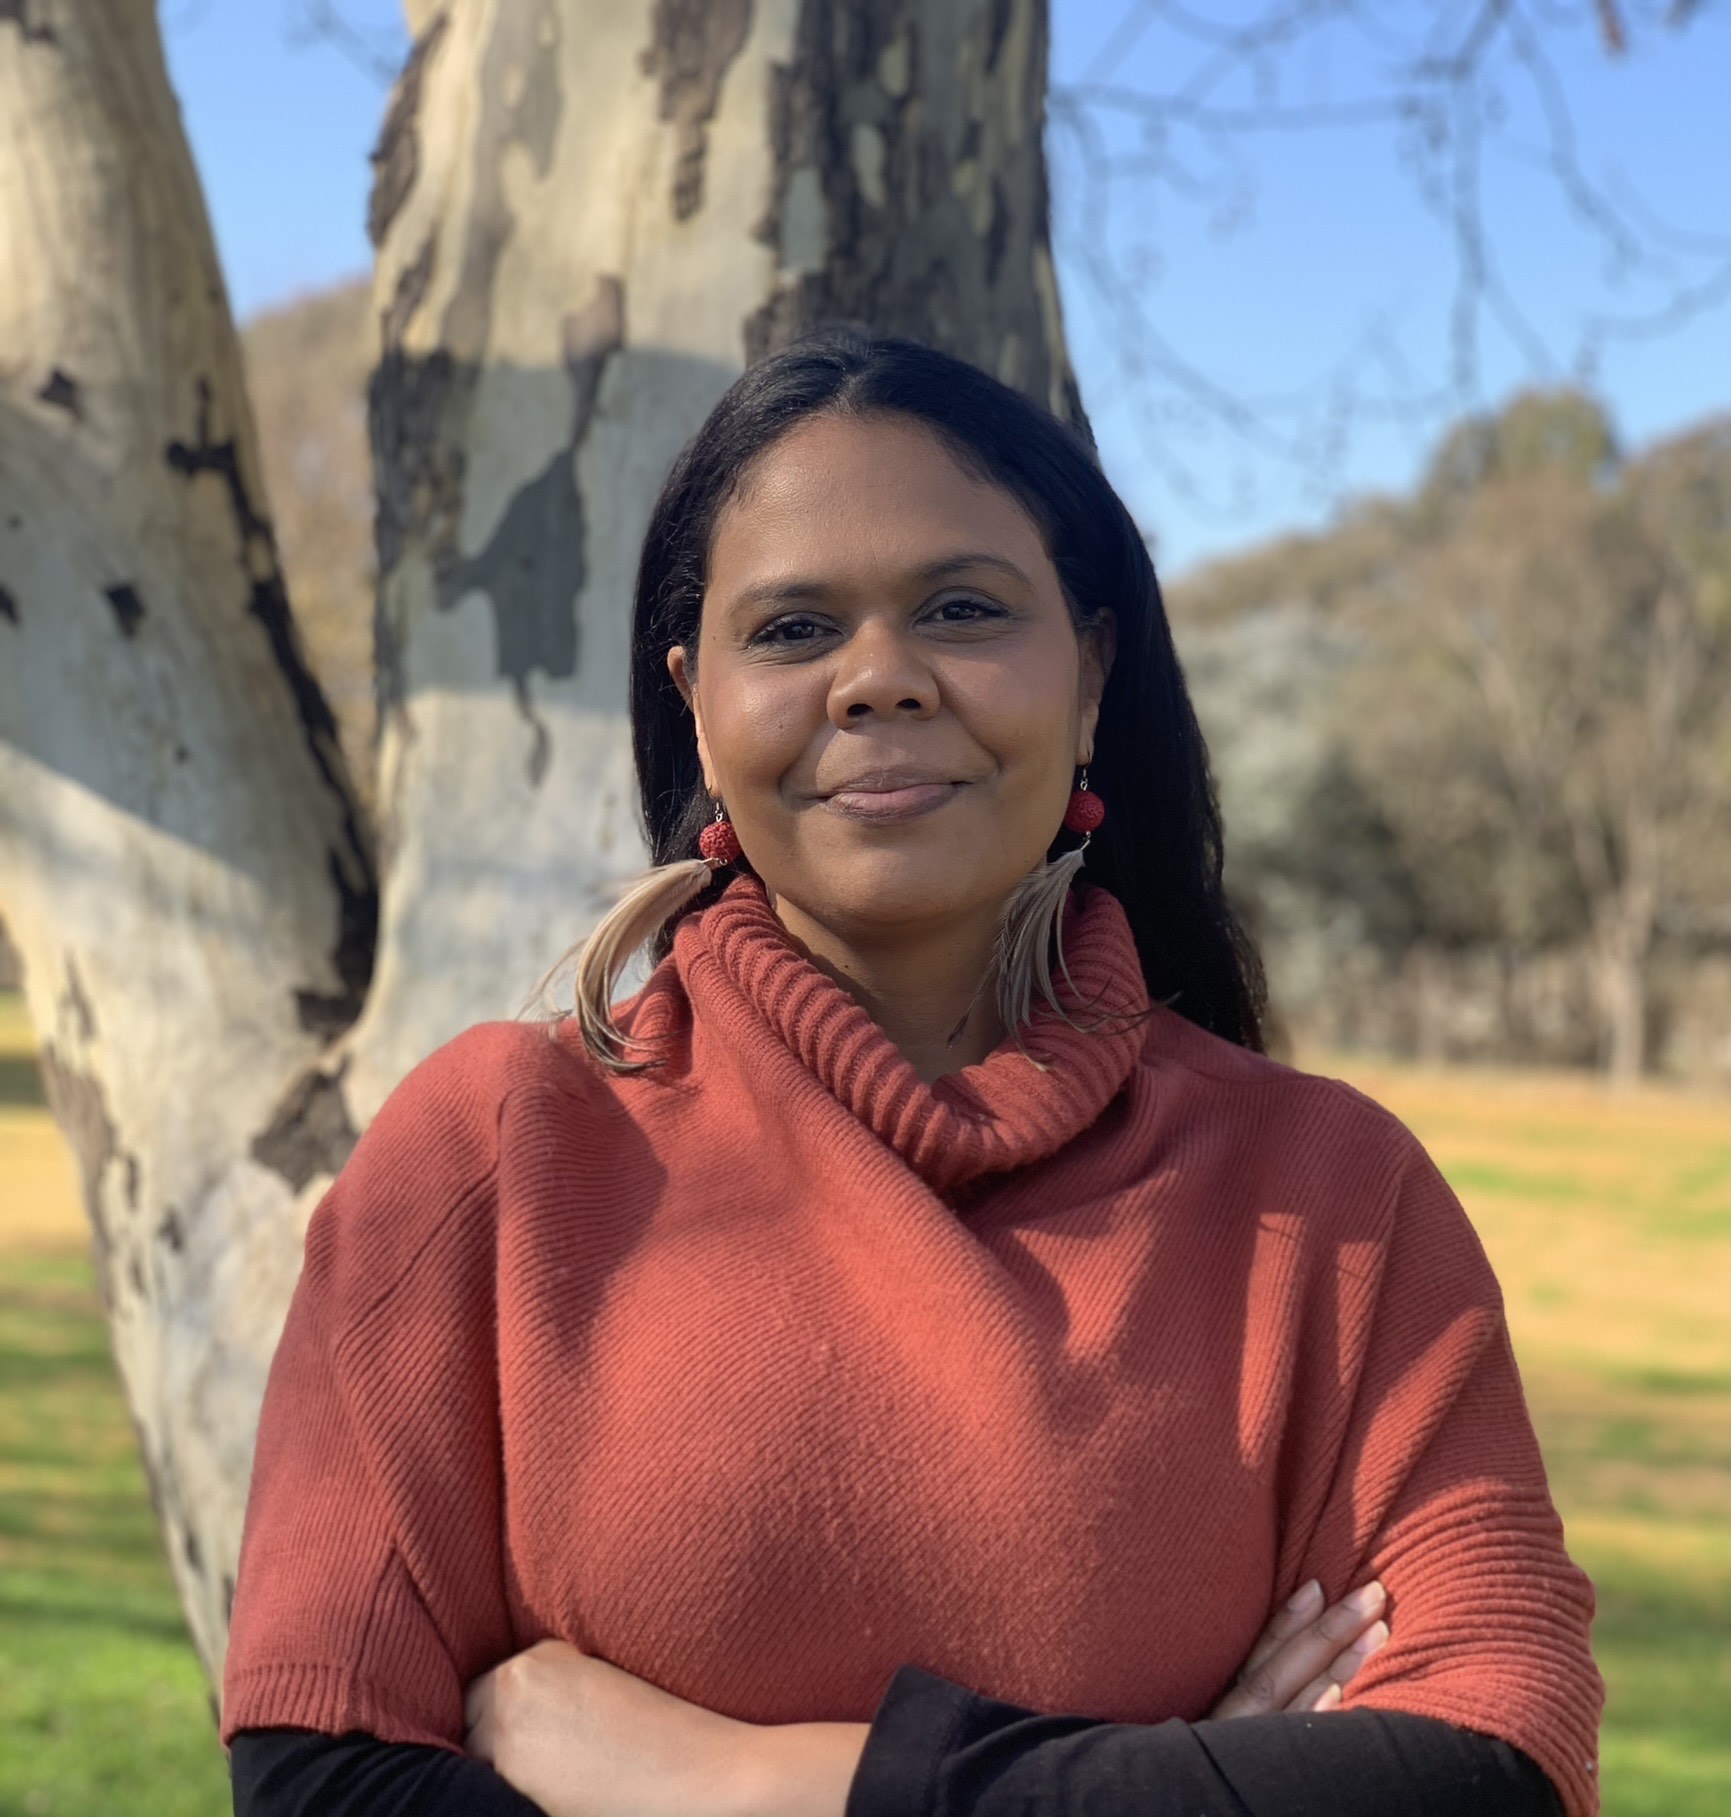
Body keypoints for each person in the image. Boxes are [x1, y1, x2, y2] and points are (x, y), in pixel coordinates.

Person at [222, 328, 1602, 1817]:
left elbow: (1497, 1771)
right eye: (793, 629)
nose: (878, 679)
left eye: (961, 608)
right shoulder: (493, 1158)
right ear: (696, 705)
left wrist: (749, 1784)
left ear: (1091, 672)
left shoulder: (1330, 1198)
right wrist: (1175, 1780)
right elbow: (320, 1778)